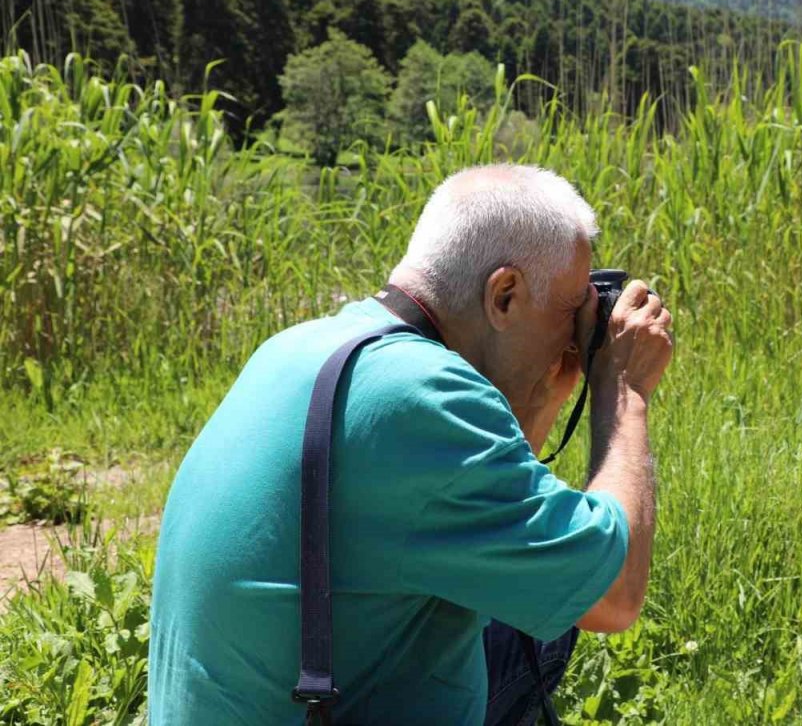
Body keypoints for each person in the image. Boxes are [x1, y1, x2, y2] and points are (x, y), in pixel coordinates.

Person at [148, 164, 673, 724]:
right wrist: (624, 393)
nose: (578, 332)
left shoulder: (307, 345)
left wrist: (544, 395)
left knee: (526, 594)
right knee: (550, 613)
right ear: (504, 295)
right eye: (572, 311)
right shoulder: (424, 398)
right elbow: (611, 593)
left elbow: (479, 512)